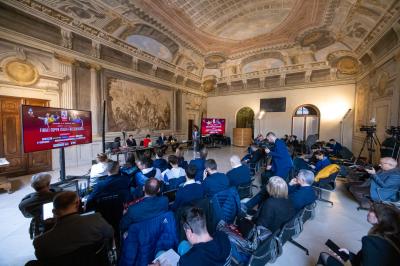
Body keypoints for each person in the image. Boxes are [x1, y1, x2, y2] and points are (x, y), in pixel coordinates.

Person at [33, 191, 114, 260]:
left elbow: (42, 258)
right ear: (78, 203)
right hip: (96, 261)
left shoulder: (40, 242)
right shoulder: (96, 219)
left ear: (54, 211)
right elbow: (110, 233)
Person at [316, 202, 400, 266]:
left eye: (372, 211)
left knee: (323, 255)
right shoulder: (393, 238)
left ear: (379, 219)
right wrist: (350, 255)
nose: (369, 211)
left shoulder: (371, 242)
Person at [19, 173, 61, 238]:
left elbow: (27, 215)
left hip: (39, 229)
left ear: (33, 186)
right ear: (48, 184)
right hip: (60, 223)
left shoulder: (23, 204)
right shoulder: (60, 196)